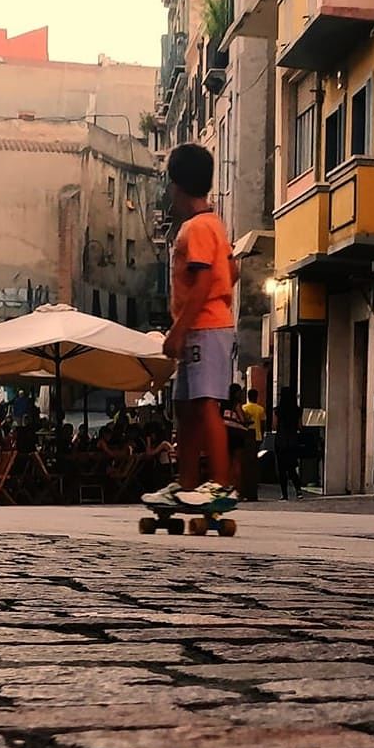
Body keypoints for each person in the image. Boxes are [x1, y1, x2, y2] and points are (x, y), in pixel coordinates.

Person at [144, 142, 237, 511]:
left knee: (204, 404)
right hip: (206, 326)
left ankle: (220, 485)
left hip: (205, 327)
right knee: (185, 406)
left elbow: (201, 283)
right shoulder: (214, 224)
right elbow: (230, 271)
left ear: (177, 186)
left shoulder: (196, 229)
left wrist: (178, 330)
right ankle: (185, 484)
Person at [273, 386, 304, 499]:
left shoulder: (277, 410)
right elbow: (300, 427)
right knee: (291, 467)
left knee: (281, 469)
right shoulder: (297, 410)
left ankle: (284, 494)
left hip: (280, 441)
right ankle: (298, 490)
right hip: (292, 441)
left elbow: (274, 426)